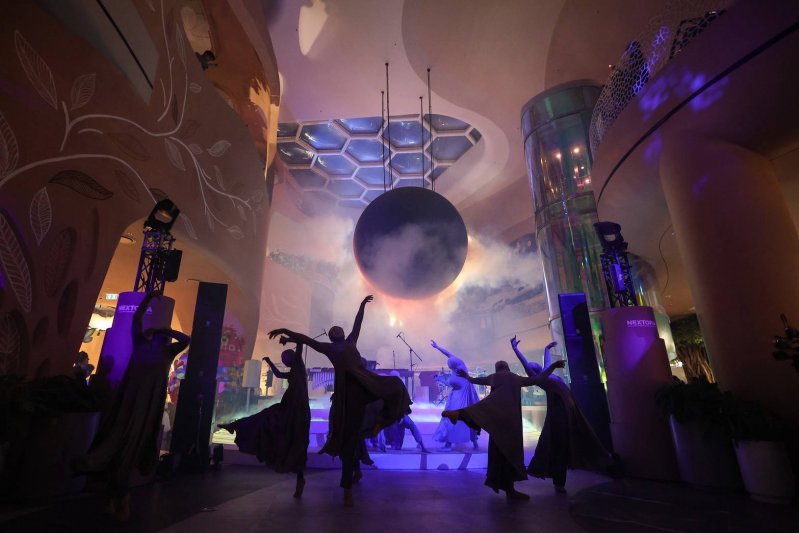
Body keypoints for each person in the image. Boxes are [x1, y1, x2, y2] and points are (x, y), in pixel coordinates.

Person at [269, 295, 411, 507]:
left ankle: (379, 423)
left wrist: (361, 306)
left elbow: (355, 324)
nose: (337, 330)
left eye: (337, 329)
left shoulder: (345, 343)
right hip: (353, 392)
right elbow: (306, 339)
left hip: (362, 386)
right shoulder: (334, 346)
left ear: (340, 335)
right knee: (350, 437)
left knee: (395, 386)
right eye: (335, 330)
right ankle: (348, 484)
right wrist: (285, 331)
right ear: (336, 336)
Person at [78, 290, 190, 522]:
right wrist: (147, 299)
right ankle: (116, 496)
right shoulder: (141, 344)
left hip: (146, 408)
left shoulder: (168, 352)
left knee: (130, 449)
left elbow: (186, 340)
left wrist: (163, 329)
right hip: (128, 403)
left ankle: (118, 497)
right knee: (115, 444)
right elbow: (137, 319)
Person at [443, 358, 565, 501]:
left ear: (497, 368)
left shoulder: (493, 377)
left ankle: (460, 414)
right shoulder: (515, 378)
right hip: (510, 422)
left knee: (484, 416)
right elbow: (539, 378)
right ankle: (510, 490)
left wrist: (467, 376)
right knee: (509, 453)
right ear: (507, 368)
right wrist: (553, 366)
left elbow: (475, 380)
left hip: (497, 421)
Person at [512, 337, 613, 493]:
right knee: (560, 443)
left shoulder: (546, 371)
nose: (532, 364)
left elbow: (546, 361)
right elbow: (526, 363)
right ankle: (559, 480)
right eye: (530, 366)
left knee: (579, 436)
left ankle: (595, 461)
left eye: (533, 364)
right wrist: (515, 348)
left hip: (570, 407)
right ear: (531, 371)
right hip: (559, 409)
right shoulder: (540, 378)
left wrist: (547, 348)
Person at [218, 340, 310, 498]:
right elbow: (279, 375)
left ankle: (300, 480)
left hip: (299, 412)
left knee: (296, 443)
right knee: (264, 419)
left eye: (284, 358)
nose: (283, 361)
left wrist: (288, 337)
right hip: (287, 407)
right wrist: (269, 362)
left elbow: (300, 343)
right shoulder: (293, 372)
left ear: (292, 358)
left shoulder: (299, 368)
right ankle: (235, 426)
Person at [430, 340, 479, 450]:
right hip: (457, 396)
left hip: (461, 398)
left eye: (451, 368)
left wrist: (440, 379)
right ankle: (471, 442)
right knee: (455, 418)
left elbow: (452, 383)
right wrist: (437, 347)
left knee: (453, 418)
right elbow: (447, 353)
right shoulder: (456, 362)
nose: (451, 369)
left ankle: (451, 443)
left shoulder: (461, 373)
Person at [382, 370, 429, 453]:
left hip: (399, 415)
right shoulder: (391, 389)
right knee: (397, 428)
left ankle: (421, 445)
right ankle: (421, 445)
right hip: (394, 415)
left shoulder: (397, 388)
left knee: (409, 426)